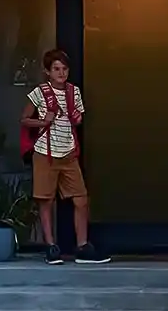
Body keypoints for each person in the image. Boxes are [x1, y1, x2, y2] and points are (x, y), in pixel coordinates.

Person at [20, 49, 107, 265]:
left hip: (68, 152)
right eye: (56, 69)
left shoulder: (73, 91)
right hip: (45, 152)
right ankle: (50, 246)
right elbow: (24, 119)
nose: (61, 73)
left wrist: (77, 117)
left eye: (64, 69)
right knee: (46, 200)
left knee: (81, 199)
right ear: (47, 71)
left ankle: (83, 246)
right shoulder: (40, 92)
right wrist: (43, 121)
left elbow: (77, 119)